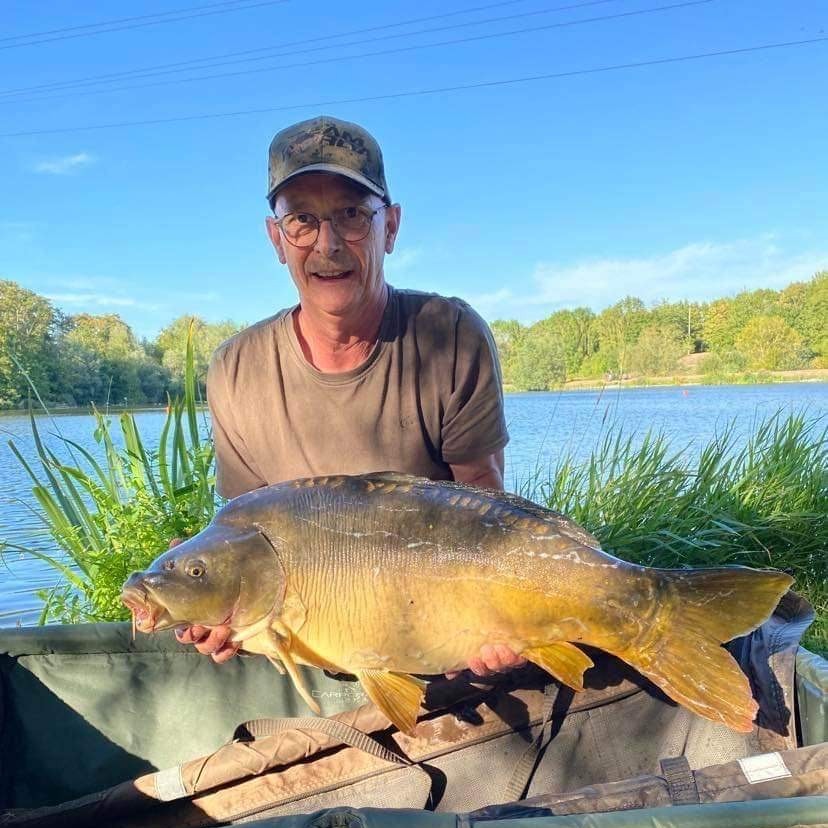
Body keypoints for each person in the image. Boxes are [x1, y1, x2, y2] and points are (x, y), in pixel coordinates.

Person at [176, 115, 524, 676]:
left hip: (440, 640)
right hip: (315, 659)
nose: (328, 244)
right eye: (303, 220)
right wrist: (218, 610)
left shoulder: (451, 333)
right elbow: (243, 531)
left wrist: (494, 627)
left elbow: (486, 509)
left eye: (351, 216)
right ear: (277, 239)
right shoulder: (236, 369)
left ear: (391, 227)